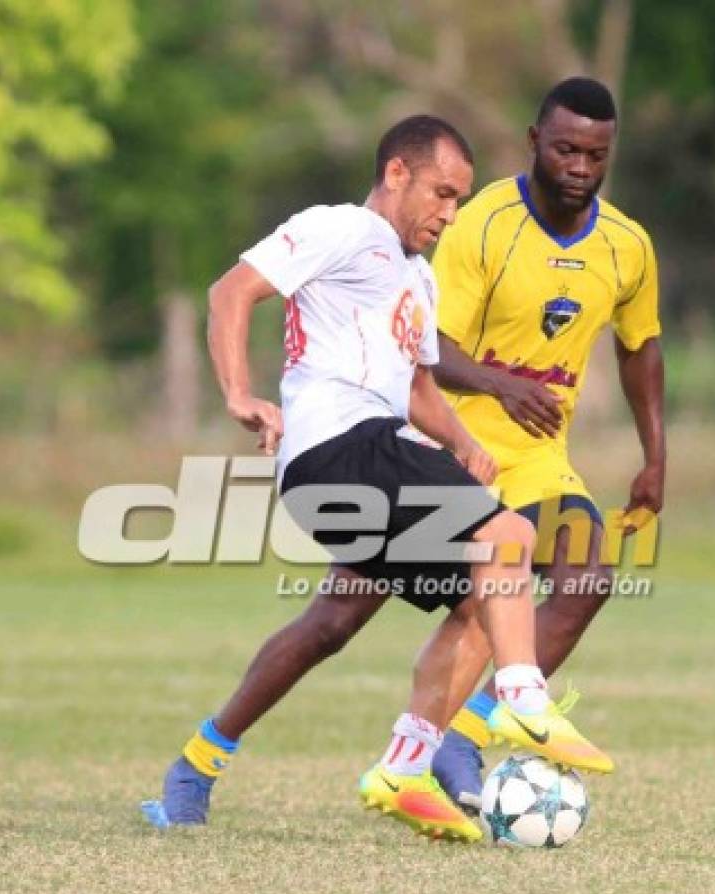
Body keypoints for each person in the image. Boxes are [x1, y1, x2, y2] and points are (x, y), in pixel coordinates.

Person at [139, 115, 612, 843]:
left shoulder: (415, 278)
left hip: (372, 454)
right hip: (341, 446)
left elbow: (418, 385)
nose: (448, 214)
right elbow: (229, 293)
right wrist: (238, 392)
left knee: (471, 605)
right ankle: (522, 698)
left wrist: (460, 442)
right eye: (441, 194)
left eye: (459, 201)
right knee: (509, 536)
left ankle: (387, 766)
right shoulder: (339, 228)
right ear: (396, 173)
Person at [427, 78, 666, 811]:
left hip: (535, 459)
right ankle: (204, 758)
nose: (580, 167)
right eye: (565, 148)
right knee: (336, 621)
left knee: (587, 578)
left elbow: (640, 348)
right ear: (534, 141)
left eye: (596, 154)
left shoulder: (626, 246)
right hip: (447, 444)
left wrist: (655, 455)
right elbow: (425, 346)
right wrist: (501, 384)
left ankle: (462, 739)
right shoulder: (483, 224)